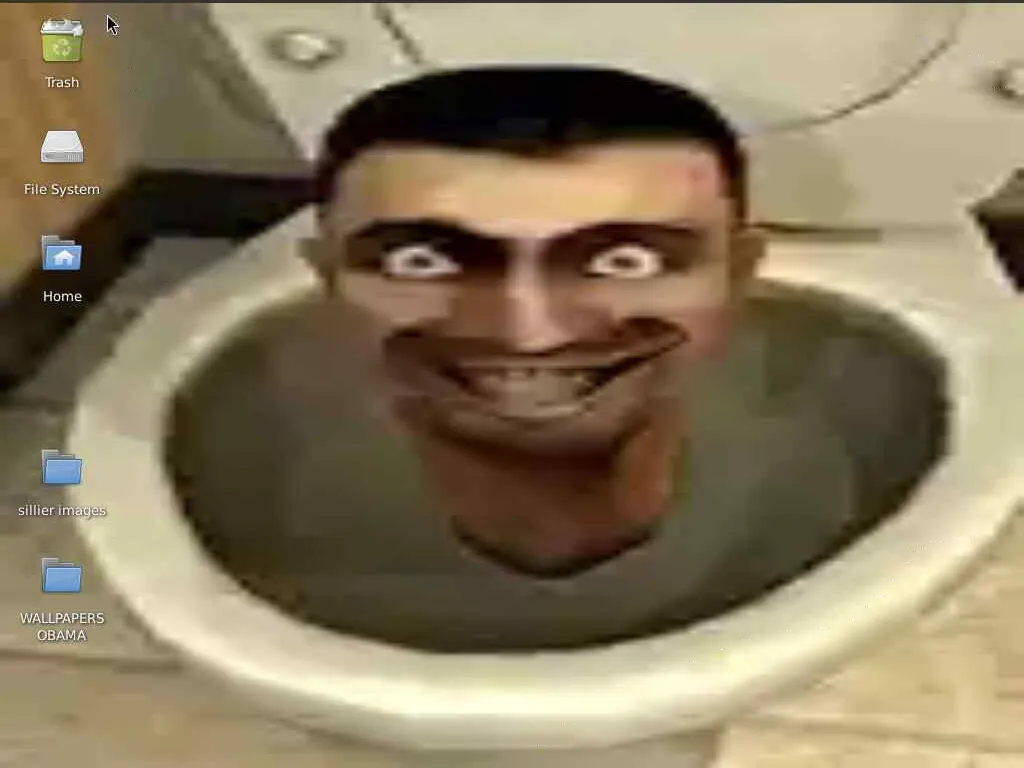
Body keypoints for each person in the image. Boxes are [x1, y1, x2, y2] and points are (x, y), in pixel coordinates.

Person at [171, 66, 946, 652]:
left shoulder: (831, 452)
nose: (530, 332)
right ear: (328, 277)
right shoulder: (252, 467)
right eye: (422, 261)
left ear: (739, 275)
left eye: (625, 262)